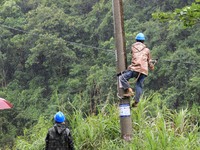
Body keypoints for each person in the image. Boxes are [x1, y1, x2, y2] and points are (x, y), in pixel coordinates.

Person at [118, 33, 156, 107]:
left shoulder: (133, 47)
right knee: (139, 85)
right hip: (144, 71)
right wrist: (152, 66)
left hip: (135, 69)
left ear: (136, 40)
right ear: (143, 41)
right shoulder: (147, 50)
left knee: (122, 78)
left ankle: (129, 90)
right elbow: (149, 61)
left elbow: (135, 57)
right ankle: (136, 101)